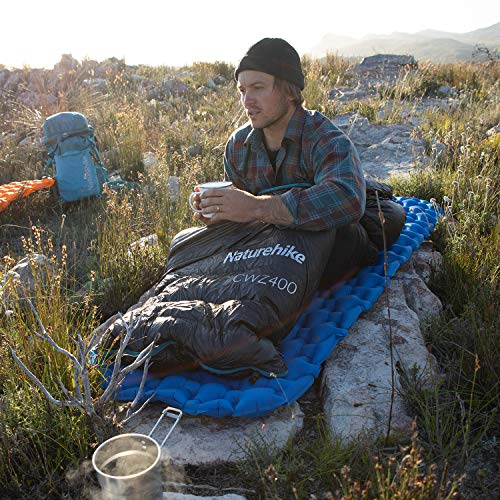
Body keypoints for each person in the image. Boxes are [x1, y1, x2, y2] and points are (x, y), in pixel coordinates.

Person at [192, 38, 403, 286]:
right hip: (271, 247)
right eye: (242, 90)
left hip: (332, 241)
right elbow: (242, 212)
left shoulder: (326, 139)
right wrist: (220, 211)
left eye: (258, 87)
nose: (247, 101)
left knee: (336, 238)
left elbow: (346, 200)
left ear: (289, 91)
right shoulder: (238, 146)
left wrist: (256, 208)